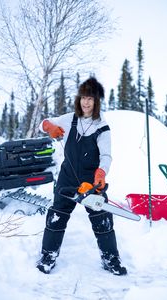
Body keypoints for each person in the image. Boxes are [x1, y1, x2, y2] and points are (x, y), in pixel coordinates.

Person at [36, 77, 127, 276]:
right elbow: (42, 124)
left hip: (90, 182)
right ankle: (48, 255)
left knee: (102, 219)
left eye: (90, 99)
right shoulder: (70, 119)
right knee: (56, 216)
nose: (86, 103)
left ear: (96, 102)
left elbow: (106, 155)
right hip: (67, 177)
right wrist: (49, 127)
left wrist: (101, 173)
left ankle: (110, 259)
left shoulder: (102, 127)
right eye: (83, 98)